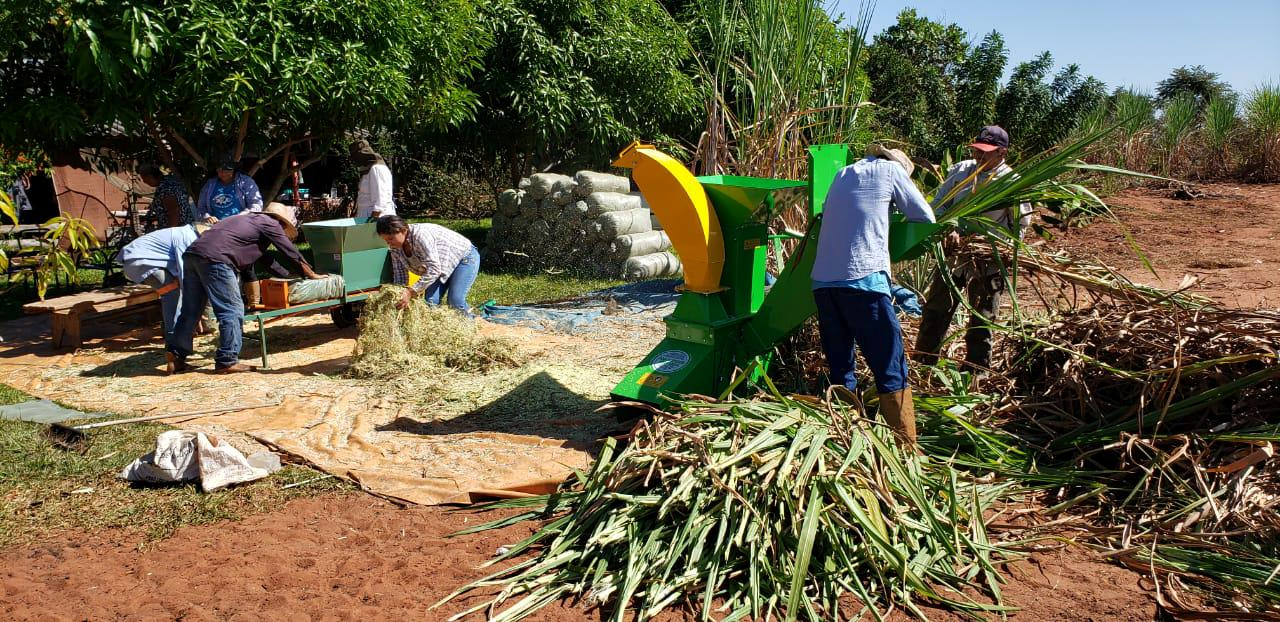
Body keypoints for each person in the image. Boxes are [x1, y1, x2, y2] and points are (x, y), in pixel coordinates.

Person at [811, 144, 936, 448]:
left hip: (823, 283)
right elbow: (925, 217)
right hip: (863, 279)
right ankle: (905, 449)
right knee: (890, 366)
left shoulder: (842, 173)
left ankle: (845, 439)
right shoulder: (892, 171)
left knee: (841, 367)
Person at [913, 126, 1033, 372]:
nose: (979, 156)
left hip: (987, 259)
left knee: (982, 319)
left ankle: (975, 373)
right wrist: (949, 228)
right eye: (977, 150)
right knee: (936, 311)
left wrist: (994, 246)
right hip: (954, 256)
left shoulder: (1011, 183)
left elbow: (1019, 227)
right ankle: (923, 366)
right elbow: (938, 207)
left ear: (1002, 153)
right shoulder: (960, 172)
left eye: (986, 152)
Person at [167, 203, 322, 374]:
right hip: (217, 259)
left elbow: (267, 260)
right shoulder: (270, 223)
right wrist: (311, 274)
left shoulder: (247, 223)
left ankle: (176, 359)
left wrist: (288, 276)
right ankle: (227, 360)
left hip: (192, 255)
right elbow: (289, 251)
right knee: (232, 310)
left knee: (191, 310)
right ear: (281, 222)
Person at [119, 223, 204, 353]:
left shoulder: (186, 233)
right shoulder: (187, 238)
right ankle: (173, 343)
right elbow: (184, 273)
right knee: (171, 292)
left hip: (144, 260)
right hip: (140, 261)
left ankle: (175, 338)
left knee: (175, 289)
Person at [375, 215, 478, 315]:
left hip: (463, 258)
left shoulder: (420, 236)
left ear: (403, 230)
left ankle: (470, 325)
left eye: (391, 239)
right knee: (430, 302)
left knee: (455, 301)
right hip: (440, 265)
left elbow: (434, 269)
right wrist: (400, 293)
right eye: (386, 240)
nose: (389, 243)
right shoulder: (395, 247)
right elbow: (400, 274)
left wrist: (411, 291)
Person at [196, 160, 264, 224]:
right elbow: (201, 208)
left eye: (226, 170)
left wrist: (240, 217)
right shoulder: (210, 184)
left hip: (241, 223)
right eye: (219, 169)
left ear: (233, 170)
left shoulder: (246, 182)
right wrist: (207, 217)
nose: (222, 172)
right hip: (216, 226)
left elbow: (256, 205)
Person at [138, 164, 196, 232]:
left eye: (144, 178)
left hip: (178, 231)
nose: (144, 182)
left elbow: (174, 212)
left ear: (150, 176)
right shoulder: (171, 181)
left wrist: (168, 233)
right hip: (185, 227)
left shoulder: (166, 189)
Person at [350, 139, 397, 219]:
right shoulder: (369, 169)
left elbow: (382, 197)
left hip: (377, 217)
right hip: (367, 215)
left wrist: (373, 219)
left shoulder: (377, 168)